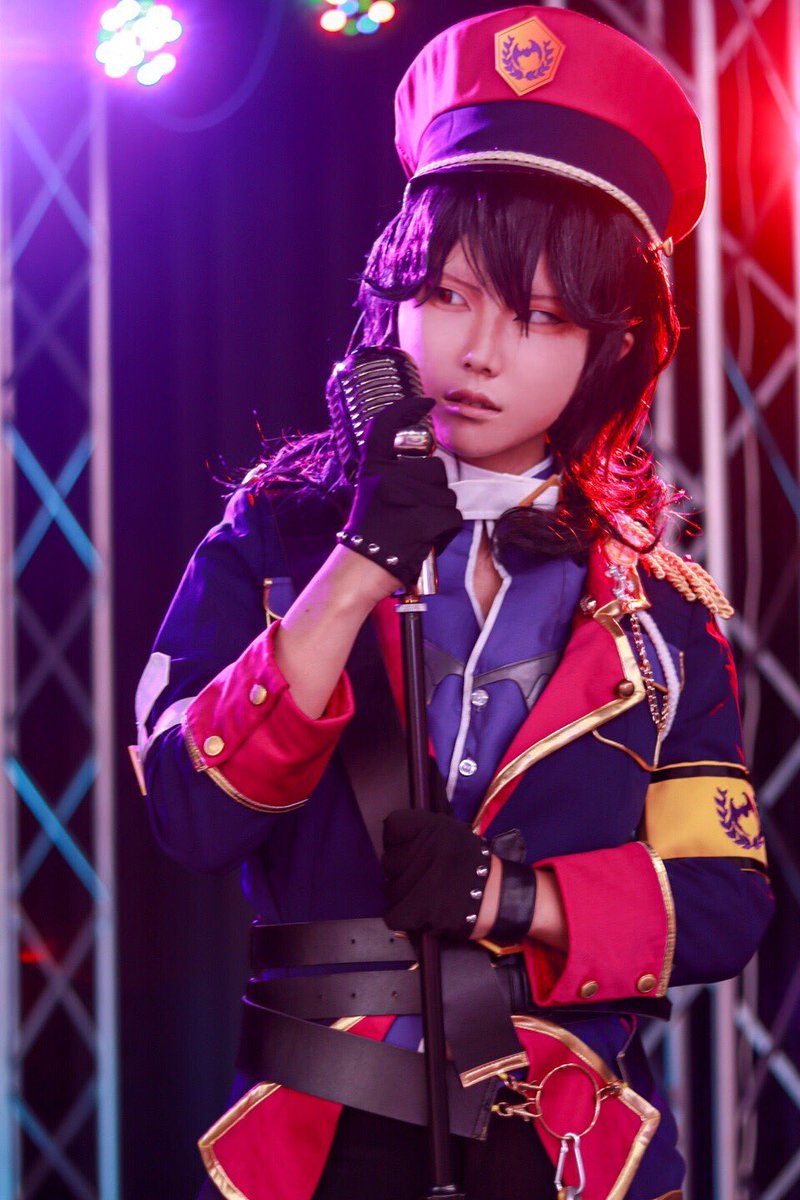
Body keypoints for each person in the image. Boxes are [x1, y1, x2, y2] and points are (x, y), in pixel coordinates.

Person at [134, 7, 774, 1199]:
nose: (478, 351)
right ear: (392, 302)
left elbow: (723, 902)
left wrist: (511, 896)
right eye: (446, 294)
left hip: (565, 1152)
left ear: (609, 347)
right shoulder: (273, 542)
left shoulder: (661, 614)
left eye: (536, 318)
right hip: (320, 1145)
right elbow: (188, 815)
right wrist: (356, 569)